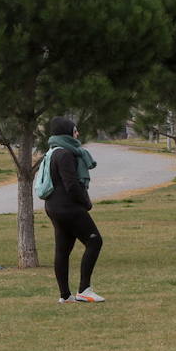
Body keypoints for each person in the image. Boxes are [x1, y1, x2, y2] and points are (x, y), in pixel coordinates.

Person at [43, 116, 104, 303]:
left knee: (63, 249)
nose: (77, 133)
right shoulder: (65, 155)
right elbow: (71, 185)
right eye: (74, 130)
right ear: (66, 132)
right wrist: (86, 203)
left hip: (53, 206)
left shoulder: (52, 152)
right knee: (94, 242)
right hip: (68, 207)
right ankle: (84, 290)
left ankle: (65, 296)